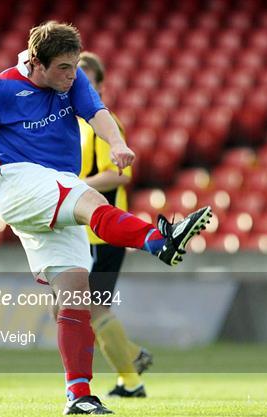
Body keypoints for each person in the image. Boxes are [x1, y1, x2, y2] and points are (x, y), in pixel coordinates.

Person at [0, 21, 212, 415]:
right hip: (15, 182)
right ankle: (158, 240)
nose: (71, 75)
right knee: (87, 199)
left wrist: (117, 144)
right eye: (63, 68)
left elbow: (96, 111)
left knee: (75, 292)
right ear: (36, 63)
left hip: (55, 187)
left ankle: (79, 395)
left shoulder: (75, 79)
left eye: (74, 67)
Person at [78, 51, 151, 398]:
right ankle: (132, 362)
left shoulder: (105, 125)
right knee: (78, 307)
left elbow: (119, 176)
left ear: (100, 86)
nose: (78, 84)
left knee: (91, 308)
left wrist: (76, 189)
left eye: (86, 79)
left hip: (104, 233)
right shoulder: (73, 125)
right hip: (81, 231)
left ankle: (132, 377)